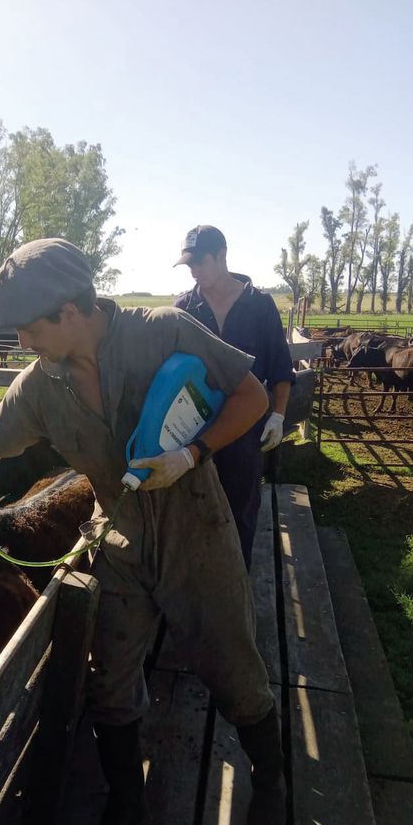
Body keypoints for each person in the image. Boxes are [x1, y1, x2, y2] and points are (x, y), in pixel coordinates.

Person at [0, 239, 286, 825]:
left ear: (69, 311)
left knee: (231, 663)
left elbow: (251, 397)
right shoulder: (40, 388)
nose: (21, 345)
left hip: (194, 524)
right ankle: (126, 805)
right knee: (109, 681)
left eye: (26, 329)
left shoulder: (163, 332)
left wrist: (191, 455)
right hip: (115, 533)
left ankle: (273, 778)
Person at [173, 226, 294, 571]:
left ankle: (237, 583)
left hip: (245, 431)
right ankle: (198, 584)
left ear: (222, 256)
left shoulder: (260, 306)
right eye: (189, 265)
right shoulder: (183, 308)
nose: (194, 271)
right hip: (193, 428)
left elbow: (281, 369)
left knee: (241, 508)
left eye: (200, 262)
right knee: (193, 507)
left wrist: (278, 416)